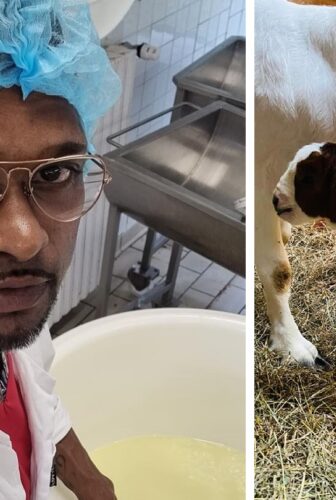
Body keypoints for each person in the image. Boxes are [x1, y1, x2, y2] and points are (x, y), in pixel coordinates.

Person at [0, 0, 120, 498]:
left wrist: (94, 484)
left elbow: (37, 395)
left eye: (55, 173)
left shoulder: (12, 307)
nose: (25, 240)